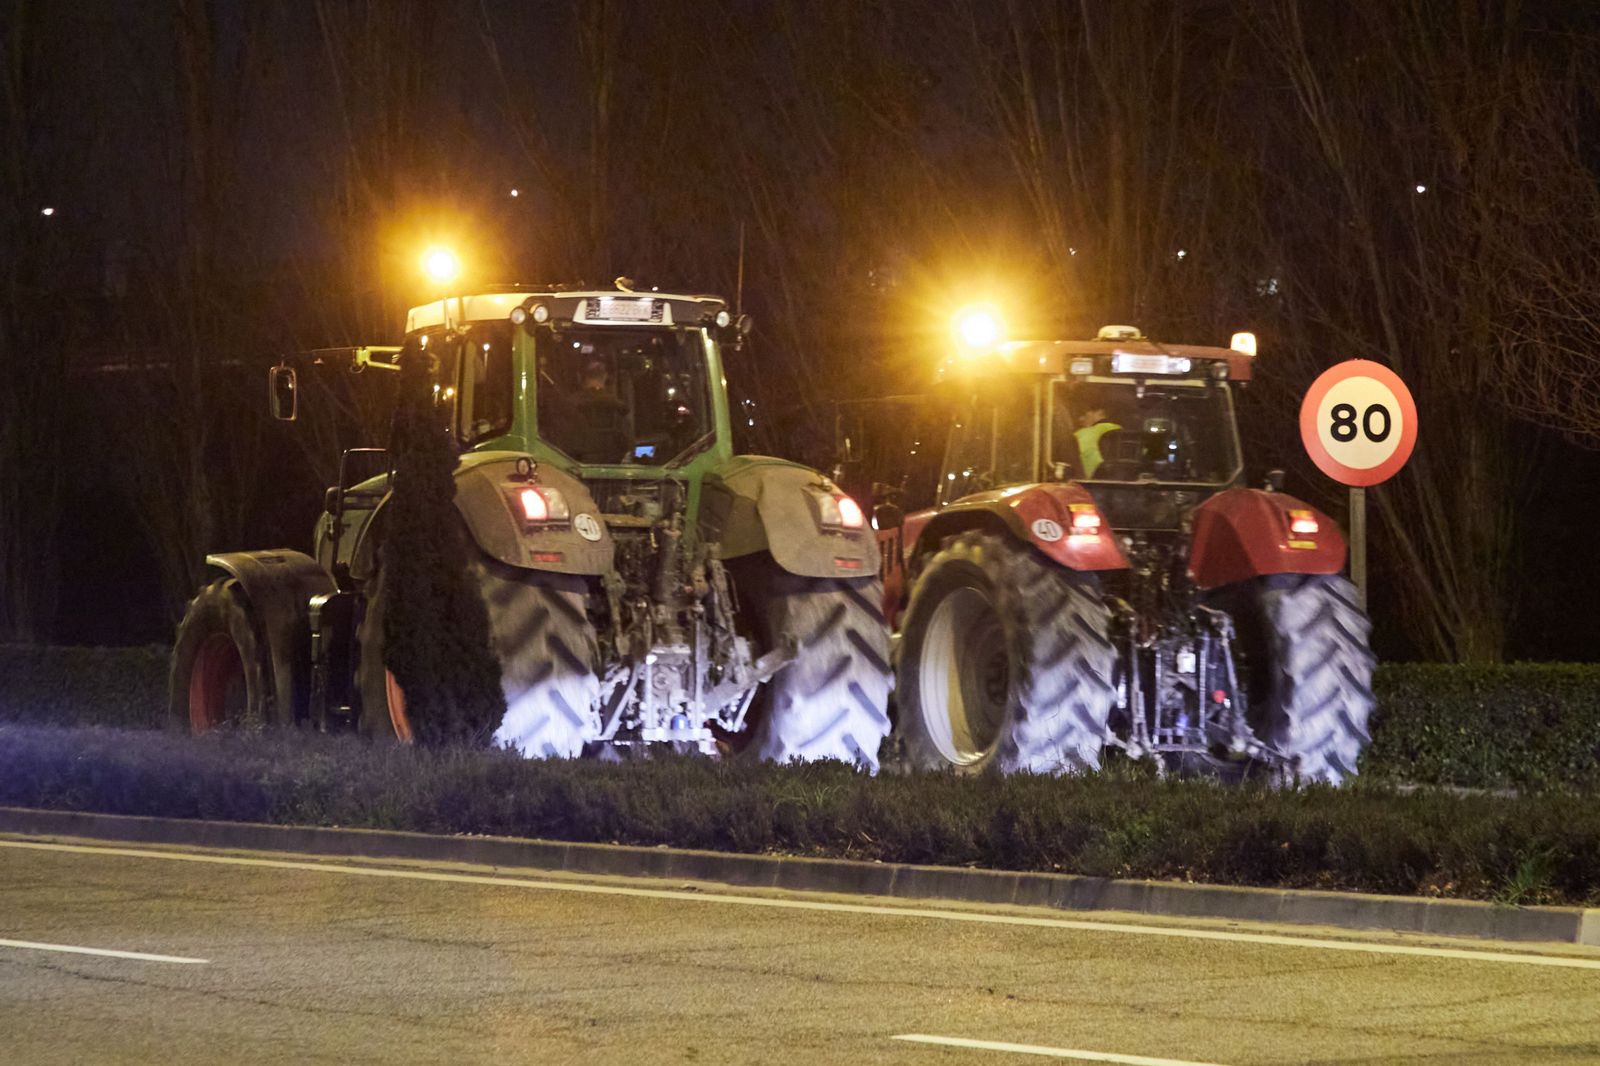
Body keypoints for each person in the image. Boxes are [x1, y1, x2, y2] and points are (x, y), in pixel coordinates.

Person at [1074, 405, 1122, 478]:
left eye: (1083, 414)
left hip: (1088, 480)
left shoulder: (1081, 434)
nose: (1080, 419)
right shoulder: (1119, 430)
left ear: (1100, 413)